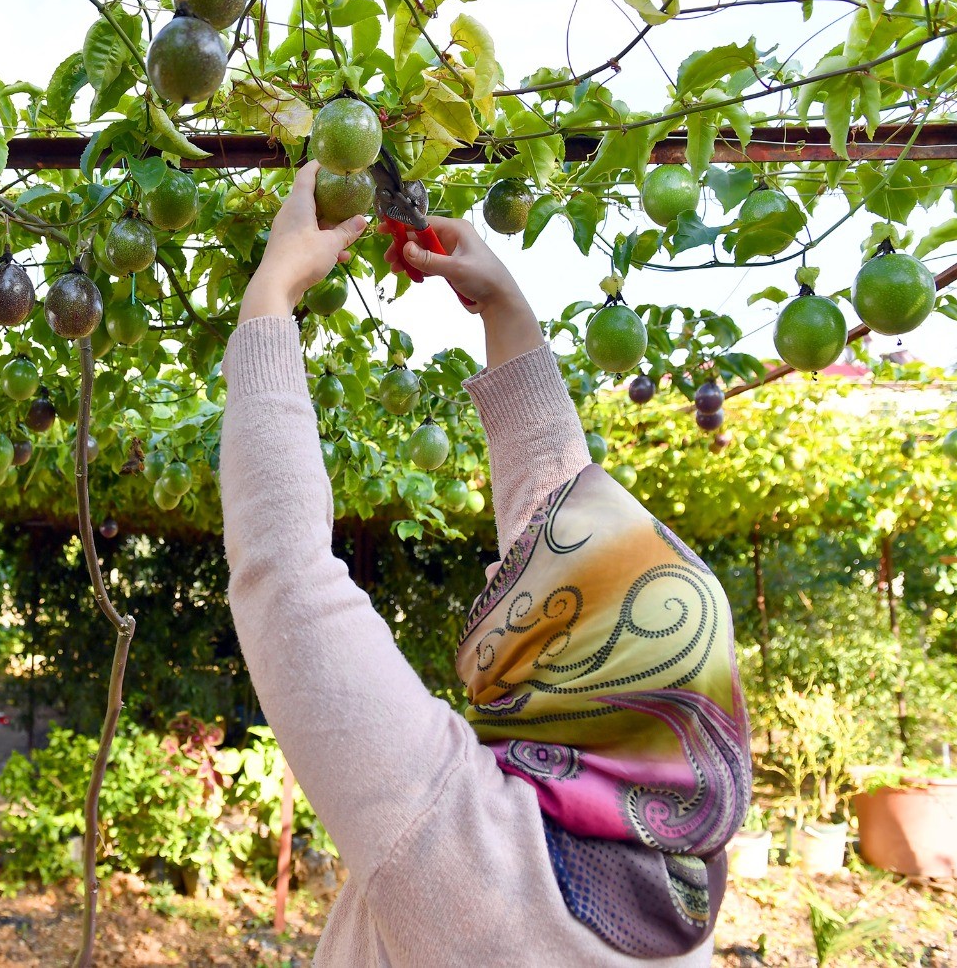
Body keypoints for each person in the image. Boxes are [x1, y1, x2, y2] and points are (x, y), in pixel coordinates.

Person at [219, 162, 750, 966]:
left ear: (580, 678)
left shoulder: (461, 844)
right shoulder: (671, 860)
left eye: (548, 597)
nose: (518, 576)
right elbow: (556, 512)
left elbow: (287, 580)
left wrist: (270, 295)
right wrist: (504, 309)